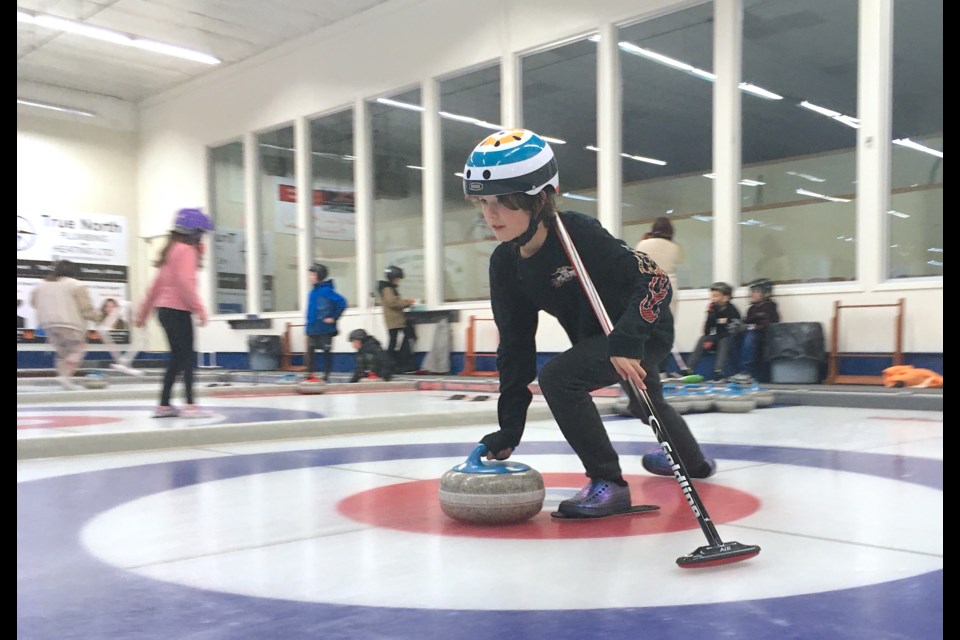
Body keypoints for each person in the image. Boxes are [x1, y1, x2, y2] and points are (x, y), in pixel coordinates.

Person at [462, 128, 715, 518]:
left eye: (504, 202)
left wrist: (629, 341)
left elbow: (655, 280)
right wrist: (509, 430)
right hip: (596, 335)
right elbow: (515, 348)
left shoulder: (577, 233)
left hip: (642, 327)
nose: (490, 215)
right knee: (644, 401)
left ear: (540, 199)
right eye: (483, 202)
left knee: (561, 378)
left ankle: (608, 483)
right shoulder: (505, 263)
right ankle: (694, 463)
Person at [134, 208, 213, 418]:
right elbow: (185, 284)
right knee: (187, 358)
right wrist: (199, 308)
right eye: (201, 233)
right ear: (194, 232)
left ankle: (164, 404)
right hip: (179, 311)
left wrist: (142, 314)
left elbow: (155, 288)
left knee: (176, 358)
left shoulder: (170, 250)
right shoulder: (187, 250)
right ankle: (190, 405)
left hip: (164, 311)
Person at [30, 260, 100, 390]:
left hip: (48, 325)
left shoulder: (42, 285)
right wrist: (97, 317)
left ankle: (65, 379)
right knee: (77, 349)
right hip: (70, 324)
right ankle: (65, 376)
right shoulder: (76, 285)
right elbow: (86, 308)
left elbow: (33, 303)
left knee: (62, 353)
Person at [635, 216, 684, 373]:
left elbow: (636, 261)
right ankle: (661, 370)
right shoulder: (674, 247)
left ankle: (644, 369)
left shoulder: (643, 243)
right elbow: (681, 259)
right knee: (664, 332)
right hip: (670, 289)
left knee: (645, 330)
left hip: (649, 288)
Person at [680, 281, 741, 381]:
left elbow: (735, 327)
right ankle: (689, 369)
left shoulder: (731, 310)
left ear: (726, 298)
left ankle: (718, 371)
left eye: (716, 296)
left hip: (730, 338)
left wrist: (725, 323)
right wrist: (710, 315)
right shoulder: (713, 309)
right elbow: (707, 331)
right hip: (718, 336)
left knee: (724, 341)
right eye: (712, 296)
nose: (712, 299)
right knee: (703, 339)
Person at [304, 263, 347, 382]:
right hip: (313, 328)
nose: (310, 277)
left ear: (319, 276)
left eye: (313, 274)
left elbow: (342, 303)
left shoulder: (327, 291)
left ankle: (326, 374)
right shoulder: (312, 292)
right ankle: (310, 373)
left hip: (325, 329)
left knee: (326, 352)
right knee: (311, 352)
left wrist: (334, 317)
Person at [734, 278, 780, 382]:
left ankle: (747, 371)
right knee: (733, 337)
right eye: (752, 291)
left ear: (766, 293)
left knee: (751, 336)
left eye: (756, 291)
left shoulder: (770, 307)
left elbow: (768, 325)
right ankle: (738, 370)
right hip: (751, 335)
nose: (752, 294)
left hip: (764, 336)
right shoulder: (752, 308)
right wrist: (739, 325)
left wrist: (750, 327)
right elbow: (747, 321)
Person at [377, 265, 416, 372]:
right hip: (394, 321)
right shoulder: (387, 289)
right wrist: (407, 302)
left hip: (396, 320)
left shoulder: (390, 288)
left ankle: (394, 363)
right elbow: (392, 302)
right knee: (394, 342)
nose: (398, 281)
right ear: (392, 278)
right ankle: (391, 364)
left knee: (395, 341)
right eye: (397, 279)